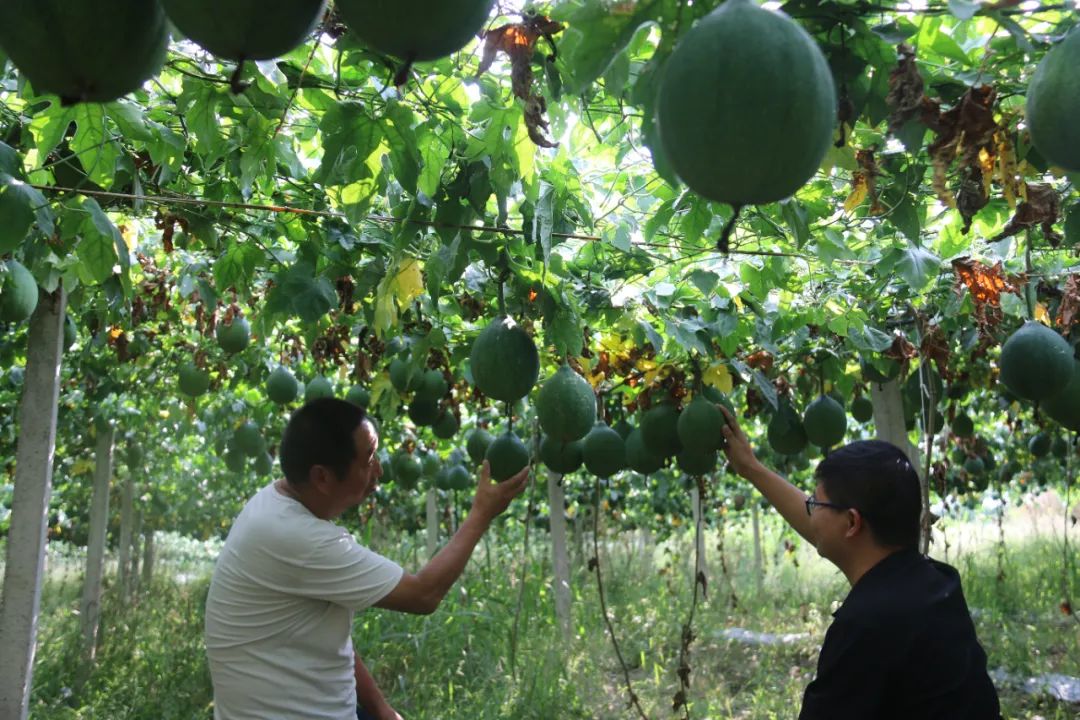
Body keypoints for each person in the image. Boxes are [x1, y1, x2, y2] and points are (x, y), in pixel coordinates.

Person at [204, 398, 529, 720]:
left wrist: (381, 710)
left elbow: (326, 636)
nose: (379, 470)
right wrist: (481, 513)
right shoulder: (297, 536)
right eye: (369, 458)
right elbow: (423, 594)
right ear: (322, 477)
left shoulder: (274, 504)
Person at [718, 406, 1002, 719]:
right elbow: (823, 526)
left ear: (852, 523)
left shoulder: (866, 627)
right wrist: (751, 468)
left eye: (816, 503)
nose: (810, 510)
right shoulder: (937, 583)